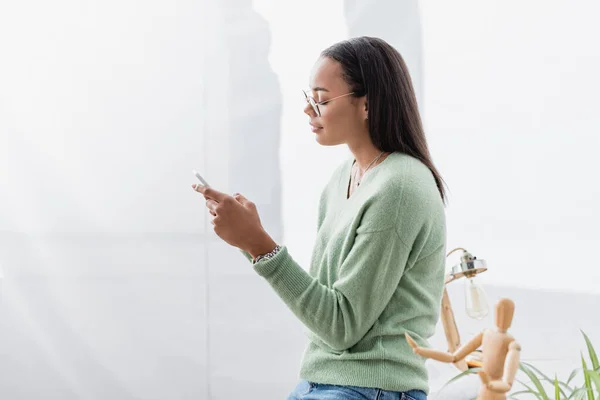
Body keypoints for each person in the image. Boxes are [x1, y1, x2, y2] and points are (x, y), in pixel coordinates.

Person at [193, 36, 447, 400]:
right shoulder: (342, 179)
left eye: (322, 99)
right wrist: (247, 240)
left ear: (367, 105)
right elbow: (326, 307)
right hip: (321, 381)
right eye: (309, 98)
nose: (309, 110)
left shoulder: (400, 187)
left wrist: (257, 243)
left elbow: (341, 325)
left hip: (373, 387)